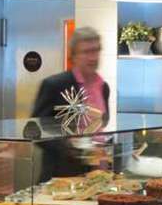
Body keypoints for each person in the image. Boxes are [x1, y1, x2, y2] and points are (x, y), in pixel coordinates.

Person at [31, 26, 111, 180]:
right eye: (86, 52)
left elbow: (100, 129)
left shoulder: (103, 87)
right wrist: (70, 147)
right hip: (61, 177)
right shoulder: (55, 85)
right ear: (73, 56)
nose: (93, 57)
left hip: (96, 175)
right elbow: (35, 130)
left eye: (96, 50)